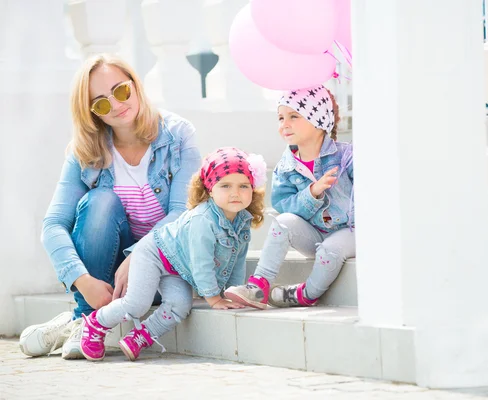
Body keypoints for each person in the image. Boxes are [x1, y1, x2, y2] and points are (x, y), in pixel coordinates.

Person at [18, 53, 201, 359]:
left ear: (135, 84)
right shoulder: (85, 151)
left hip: (165, 269)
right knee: (100, 201)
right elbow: (53, 225)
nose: (116, 105)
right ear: (92, 113)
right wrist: (82, 280)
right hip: (111, 280)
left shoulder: (178, 135)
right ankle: (87, 317)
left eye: (121, 91)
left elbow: (183, 212)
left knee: (115, 210)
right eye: (101, 103)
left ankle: (79, 322)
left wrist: (139, 255)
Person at [79, 147, 266, 361]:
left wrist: (233, 293)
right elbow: (201, 263)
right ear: (210, 189)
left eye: (244, 186)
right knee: (137, 304)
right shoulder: (202, 220)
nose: (235, 193)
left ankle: (142, 335)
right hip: (155, 253)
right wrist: (214, 298)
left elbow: (237, 260)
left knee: (180, 305)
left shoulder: (242, 222)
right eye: (225, 185)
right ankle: (96, 322)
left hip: (178, 268)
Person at [225, 84, 355, 309]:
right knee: (283, 222)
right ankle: (259, 286)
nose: (284, 124)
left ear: (319, 119)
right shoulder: (286, 167)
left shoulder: (346, 156)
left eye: (294, 116)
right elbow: (285, 208)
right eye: (280, 117)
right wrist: (311, 193)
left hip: (350, 232)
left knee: (331, 249)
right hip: (314, 233)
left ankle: (307, 294)